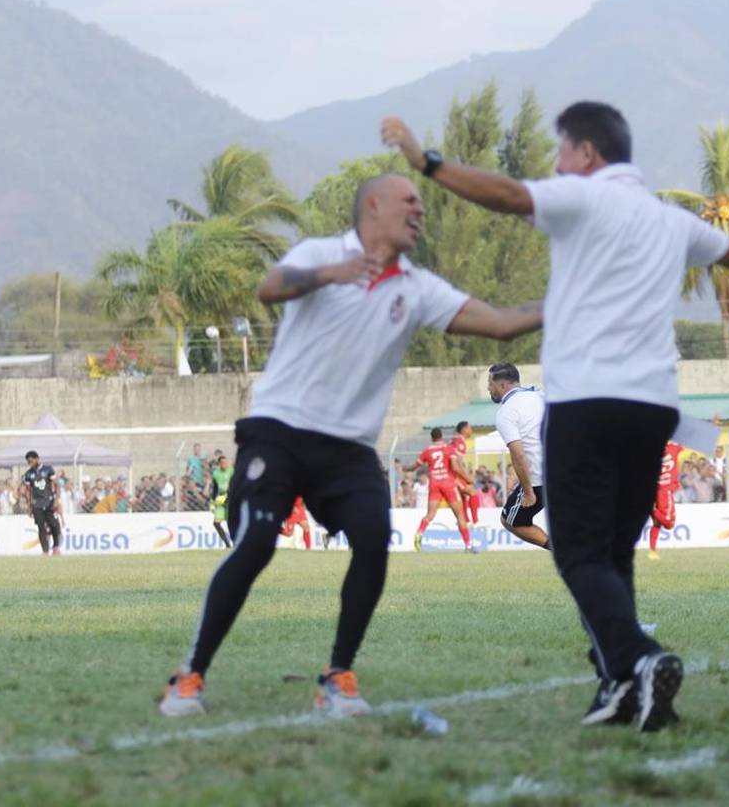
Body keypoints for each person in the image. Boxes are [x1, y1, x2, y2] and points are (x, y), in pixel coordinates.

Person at [382, 102, 729, 731]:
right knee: (613, 553)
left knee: (578, 554)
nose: (555, 165)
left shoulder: (583, 198)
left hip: (587, 401)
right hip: (653, 407)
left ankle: (640, 660)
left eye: (560, 151)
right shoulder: (670, 219)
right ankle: (621, 688)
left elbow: (505, 195)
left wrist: (426, 161)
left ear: (587, 153)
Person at [158, 173, 541, 718]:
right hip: (280, 430)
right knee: (257, 543)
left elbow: (501, 323)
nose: (420, 210)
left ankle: (338, 676)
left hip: (348, 448)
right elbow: (270, 287)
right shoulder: (322, 254)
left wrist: (572, 300)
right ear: (374, 206)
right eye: (410, 201)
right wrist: (332, 274)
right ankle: (190, 675)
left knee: (372, 536)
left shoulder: (416, 287)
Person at [487, 362, 550, 549]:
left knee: (511, 520)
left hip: (538, 478)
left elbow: (518, 453)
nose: (488, 388)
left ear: (502, 386)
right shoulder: (539, 395)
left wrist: (528, 492)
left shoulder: (506, 412)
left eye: (490, 384)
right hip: (564, 468)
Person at [414, 428, 473, 553]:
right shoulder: (448, 448)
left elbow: (416, 465)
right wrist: (468, 479)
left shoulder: (427, 451)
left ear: (431, 438)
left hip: (434, 483)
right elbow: (455, 467)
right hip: (448, 484)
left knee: (430, 515)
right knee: (460, 515)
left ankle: (419, 532)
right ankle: (468, 545)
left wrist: (406, 468)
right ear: (441, 436)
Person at [647, 440, 685, 560]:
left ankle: (652, 551)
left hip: (654, 489)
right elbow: (687, 440)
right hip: (664, 490)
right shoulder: (673, 447)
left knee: (657, 523)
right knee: (668, 522)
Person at [22, 451, 62, 555]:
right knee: (41, 527)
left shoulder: (48, 469)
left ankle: (56, 547)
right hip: (37, 504)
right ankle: (45, 551)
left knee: (54, 525)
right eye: (28, 462)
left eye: (31, 461)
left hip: (49, 502)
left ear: (37, 459)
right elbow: (28, 491)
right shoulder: (28, 474)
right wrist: (29, 506)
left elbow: (57, 486)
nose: (30, 463)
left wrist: (56, 501)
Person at [450, 421, 481, 527]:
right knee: (473, 492)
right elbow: (457, 464)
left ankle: (465, 520)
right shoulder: (460, 442)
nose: (471, 430)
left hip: (452, 474)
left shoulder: (456, 440)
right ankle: (475, 522)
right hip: (452, 475)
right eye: (469, 428)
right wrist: (467, 478)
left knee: (463, 494)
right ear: (464, 429)